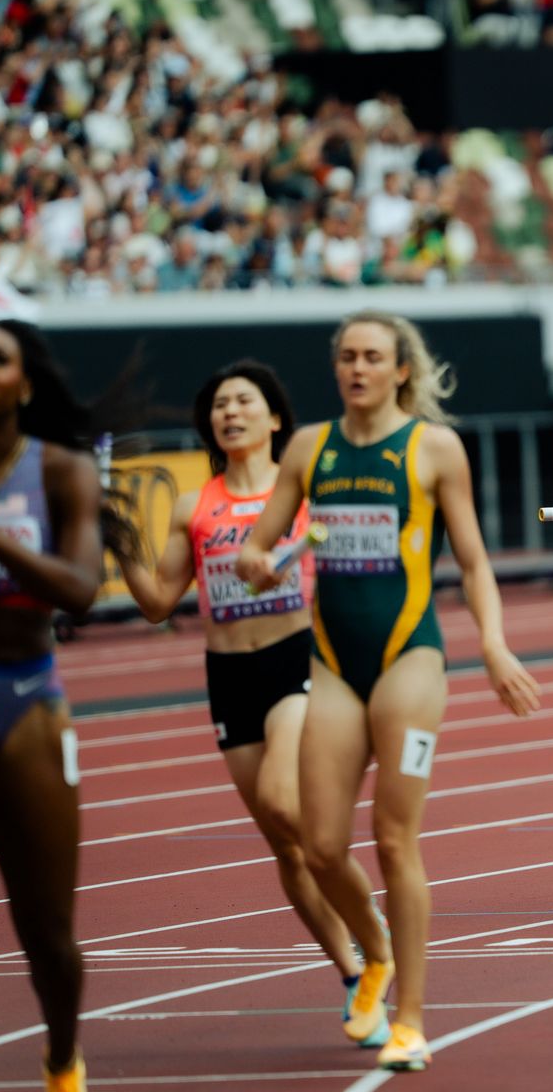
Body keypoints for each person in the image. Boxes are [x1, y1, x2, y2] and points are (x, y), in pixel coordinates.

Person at [237, 312, 541, 1075]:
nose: (357, 368)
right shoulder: (309, 447)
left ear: (402, 369)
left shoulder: (434, 449)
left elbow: (471, 561)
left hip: (411, 659)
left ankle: (410, 1017)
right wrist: (257, 559)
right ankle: (373, 952)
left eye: (372, 357)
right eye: (346, 356)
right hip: (336, 663)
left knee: (394, 838)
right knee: (321, 844)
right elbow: (263, 540)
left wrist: (494, 643)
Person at [116, 361, 388, 1038]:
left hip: (295, 662)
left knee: (280, 800)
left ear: (274, 419)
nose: (229, 413)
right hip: (227, 674)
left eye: (244, 401)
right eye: (218, 406)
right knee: (287, 850)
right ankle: (355, 974)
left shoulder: (300, 500)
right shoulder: (194, 506)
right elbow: (155, 604)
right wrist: (118, 540)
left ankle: (370, 925)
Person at [0, 319, 145, 1092]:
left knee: (48, 938)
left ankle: (63, 1060)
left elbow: (77, 588)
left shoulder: (62, 470)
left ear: (24, 383)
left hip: (29, 700)